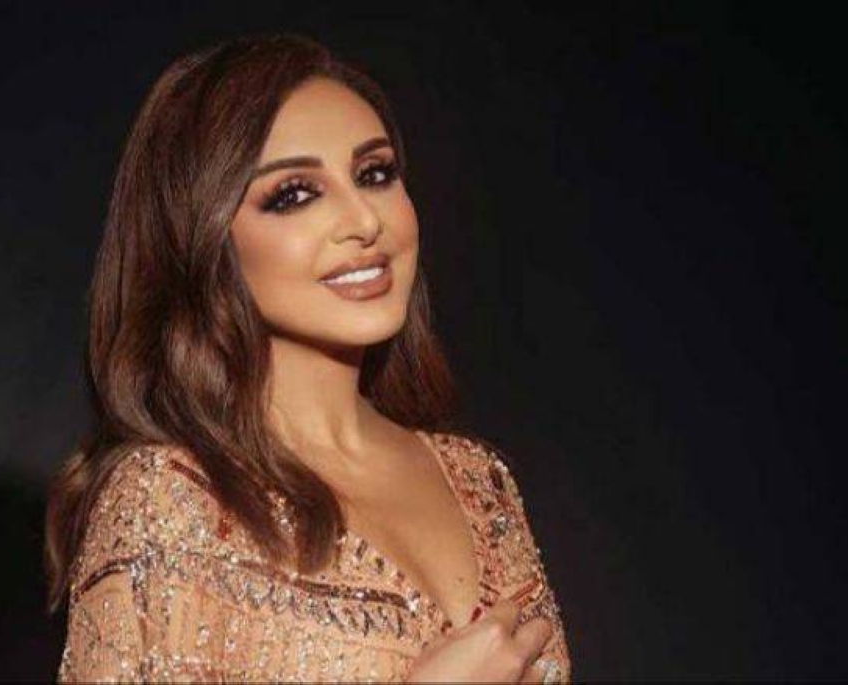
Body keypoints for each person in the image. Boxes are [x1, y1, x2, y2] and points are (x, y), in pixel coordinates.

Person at [45, 32, 571, 683]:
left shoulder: (480, 480)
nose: (364, 221)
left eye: (375, 175)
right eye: (295, 194)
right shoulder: (170, 499)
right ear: (201, 235)